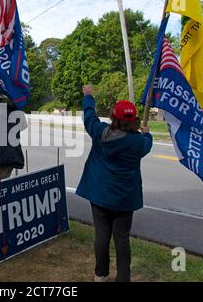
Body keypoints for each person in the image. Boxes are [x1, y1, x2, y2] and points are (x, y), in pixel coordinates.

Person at [76, 85, 152, 282]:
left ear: (113, 117)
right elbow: (147, 144)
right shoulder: (138, 142)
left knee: (101, 235)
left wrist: (88, 96)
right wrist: (147, 133)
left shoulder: (100, 132)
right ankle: (123, 278)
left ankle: (100, 274)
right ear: (134, 119)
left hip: (100, 195)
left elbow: (89, 116)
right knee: (122, 238)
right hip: (125, 199)